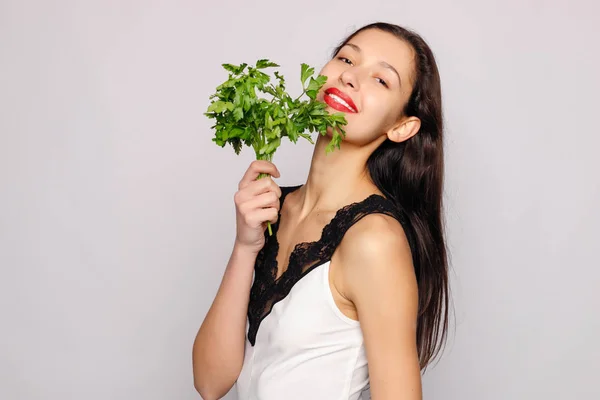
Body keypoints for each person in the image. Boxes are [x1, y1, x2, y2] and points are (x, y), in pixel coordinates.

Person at [192, 21, 450, 400]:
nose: (349, 77)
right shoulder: (275, 210)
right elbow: (210, 383)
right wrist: (244, 248)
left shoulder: (374, 239)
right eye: (346, 58)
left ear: (402, 127)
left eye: (381, 80)